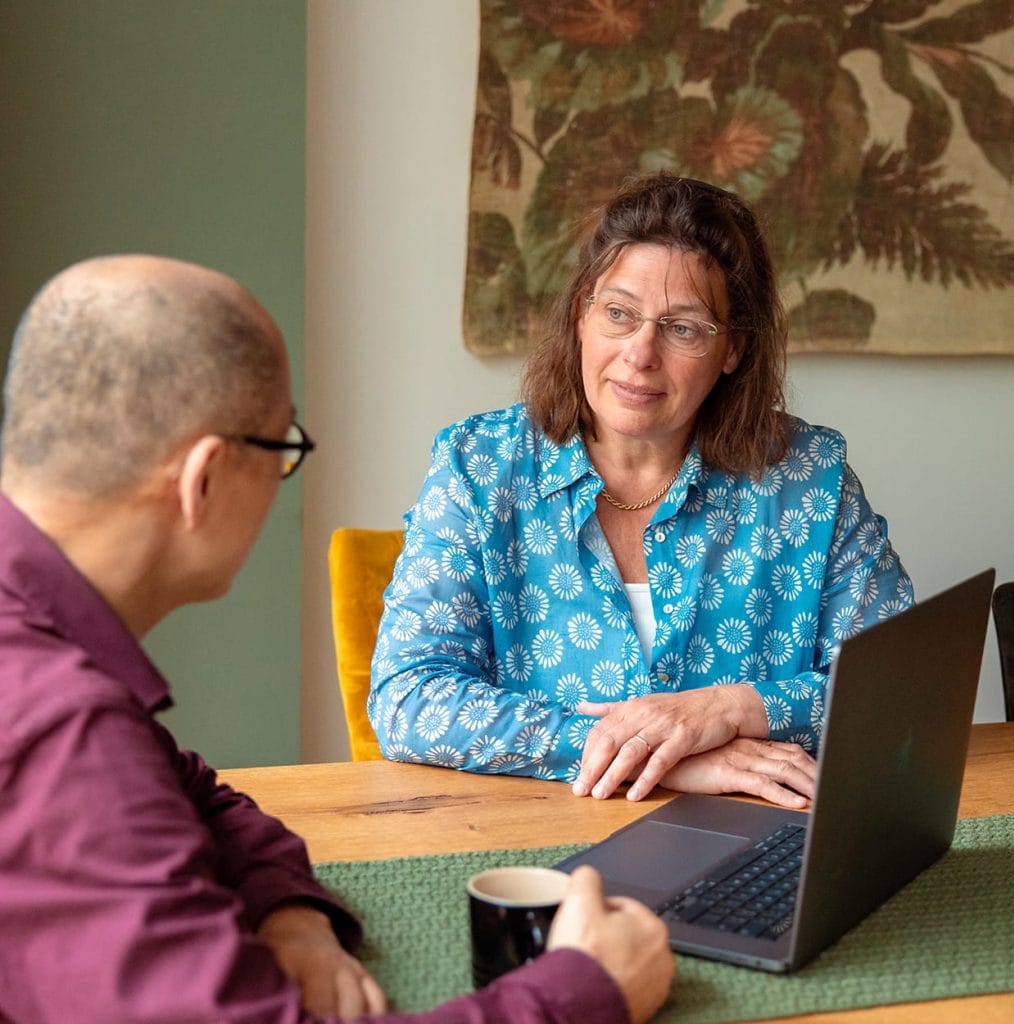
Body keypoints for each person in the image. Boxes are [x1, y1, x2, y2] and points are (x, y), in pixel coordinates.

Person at [0, 255, 673, 1024]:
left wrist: (293, 919)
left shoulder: (51, 662)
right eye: (283, 446)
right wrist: (588, 990)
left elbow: (198, 799)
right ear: (206, 479)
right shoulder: (60, 737)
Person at [370, 173, 914, 808]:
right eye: (619, 314)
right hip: (531, 843)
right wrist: (660, 757)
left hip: (758, 845)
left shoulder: (811, 480)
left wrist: (733, 708)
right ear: (581, 315)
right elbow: (410, 698)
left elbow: (900, 691)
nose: (640, 354)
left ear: (733, 347)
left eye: (683, 328)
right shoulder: (477, 467)